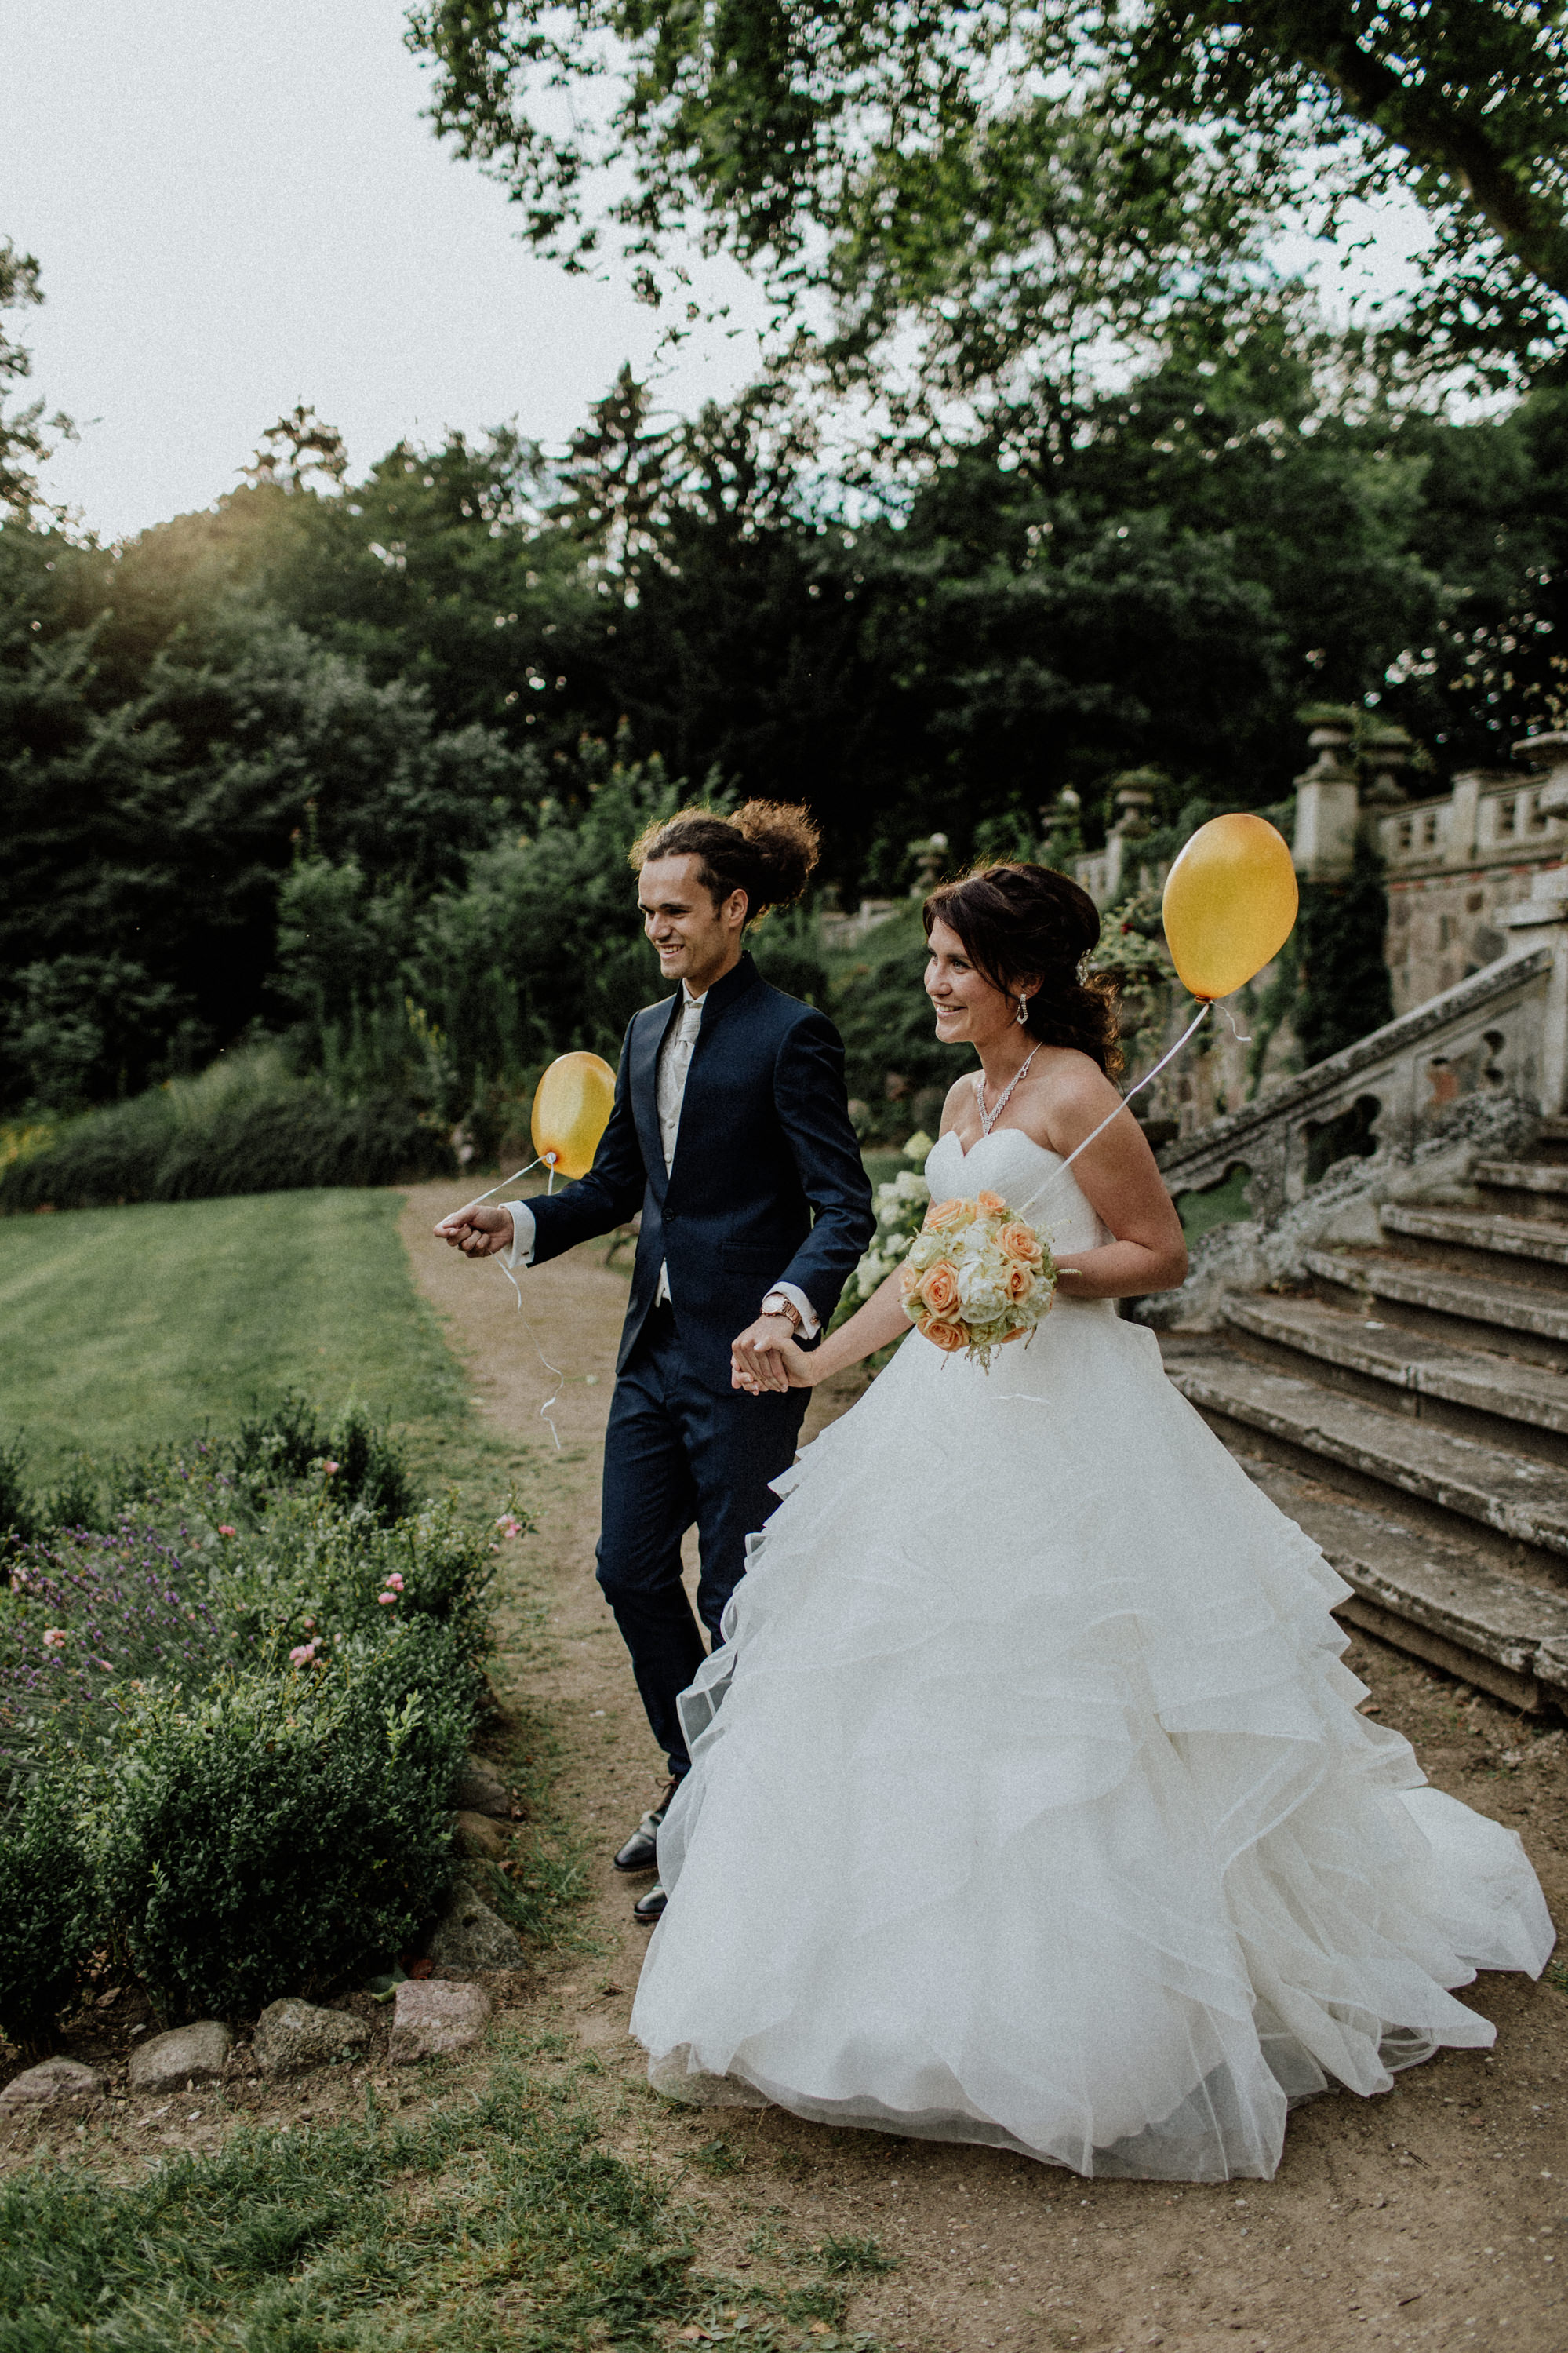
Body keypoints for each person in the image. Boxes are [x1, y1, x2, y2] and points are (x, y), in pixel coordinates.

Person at [631, 861, 1554, 2180]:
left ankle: (1108, 2013)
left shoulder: (1075, 1089)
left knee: (1080, 1709)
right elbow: (925, 1263)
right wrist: (821, 1361)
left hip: (1073, 1424)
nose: (934, 982)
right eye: (934, 960)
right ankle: (894, 1997)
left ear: (1018, 975)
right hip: (944, 1423)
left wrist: (1034, 1269)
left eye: (953, 962)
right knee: (901, 1685)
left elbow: (1158, 1250)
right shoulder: (966, 1098)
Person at [434, 803, 874, 1924]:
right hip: (651, 1352)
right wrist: (522, 1228)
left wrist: (787, 1309)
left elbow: (844, 1206)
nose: (658, 931)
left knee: (732, 1597)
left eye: (675, 911)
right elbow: (616, 1189)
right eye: (647, 913)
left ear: (735, 906)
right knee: (629, 1570)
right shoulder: (640, 1032)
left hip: (747, 1362)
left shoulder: (791, 1034)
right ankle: (695, 1776)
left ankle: (728, 1819)